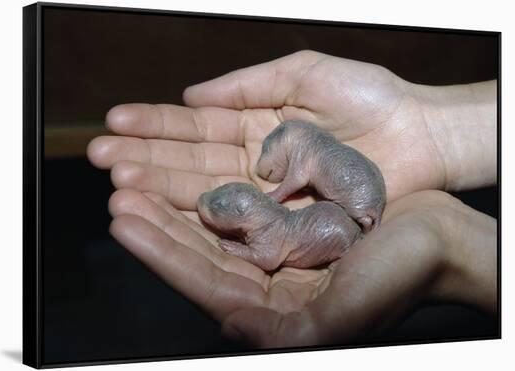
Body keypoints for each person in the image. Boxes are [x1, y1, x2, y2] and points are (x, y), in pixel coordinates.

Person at [87, 50, 497, 347]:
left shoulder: (283, 200)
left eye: (216, 210)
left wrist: (240, 242)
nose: (206, 210)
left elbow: (267, 256)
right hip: (346, 212)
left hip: (349, 210)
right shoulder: (291, 185)